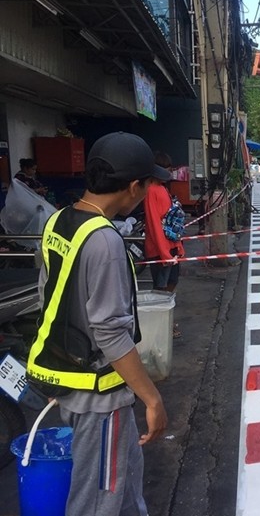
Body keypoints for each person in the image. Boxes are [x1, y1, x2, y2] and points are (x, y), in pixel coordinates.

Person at [26, 131, 169, 516]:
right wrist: (151, 397)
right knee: (97, 499)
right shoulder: (104, 241)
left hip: (69, 378)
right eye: (147, 185)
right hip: (98, 394)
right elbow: (108, 330)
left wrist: (59, 371)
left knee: (123, 484)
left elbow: (48, 297)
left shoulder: (59, 221)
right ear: (134, 187)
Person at [144, 151, 185, 338]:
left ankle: (167, 322)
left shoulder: (162, 188)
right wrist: (164, 253)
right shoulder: (152, 190)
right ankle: (161, 325)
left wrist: (177, 247)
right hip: (161, 250)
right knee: (161, 289)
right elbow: (154, 223)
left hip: (170, 247)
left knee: (171, 284)